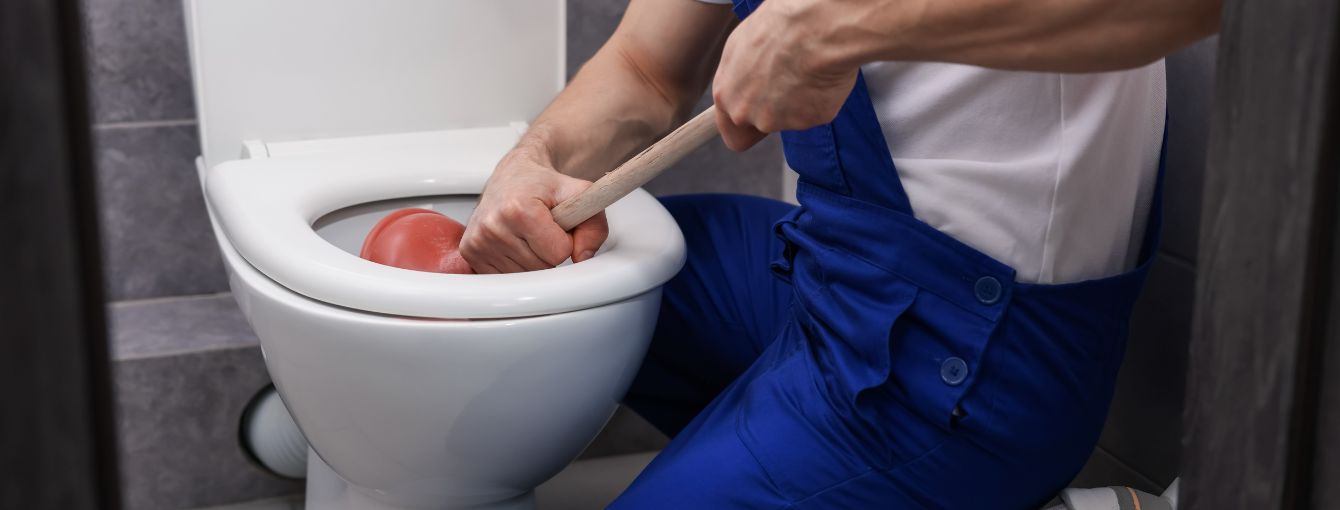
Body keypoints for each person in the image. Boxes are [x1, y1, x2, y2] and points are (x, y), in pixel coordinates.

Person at [459, 0, 1220, 507]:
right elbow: (646, 67)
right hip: (829, 265)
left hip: (973, 351)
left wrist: (834, 28)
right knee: (572, 299)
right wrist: (536, 157)